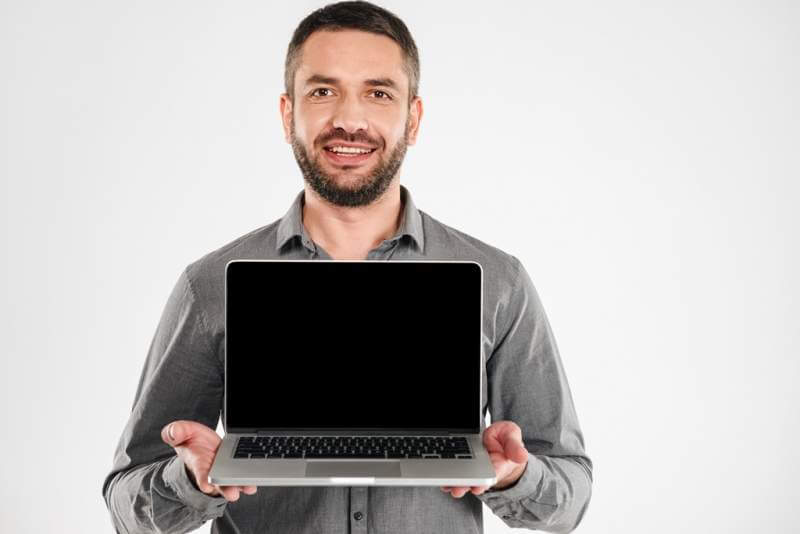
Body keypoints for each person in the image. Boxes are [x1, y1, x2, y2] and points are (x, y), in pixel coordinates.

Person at [101, 2, 593, 533]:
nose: (349, 120)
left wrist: (515, 475)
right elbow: (127, 506)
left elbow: (569, 495)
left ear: (414, 117)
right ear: (288, 114)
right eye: (323, 91)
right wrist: (188, 479)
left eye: (378, 93)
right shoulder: (210, 286)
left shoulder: (499, 280)